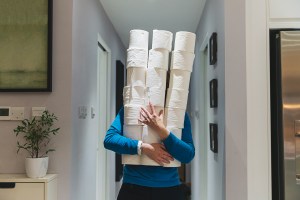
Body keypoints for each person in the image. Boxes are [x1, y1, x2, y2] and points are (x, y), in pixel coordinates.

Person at [103, 102, 195, 200]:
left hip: (169, 189)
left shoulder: (178, 113)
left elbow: (188, 155)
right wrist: (142, 147)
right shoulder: (132, 108)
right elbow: (109, 139)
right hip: (134, 188)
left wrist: (161, 130)